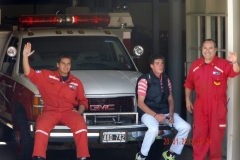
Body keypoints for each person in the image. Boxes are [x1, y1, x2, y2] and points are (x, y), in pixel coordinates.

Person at [22, 42, 90, 160]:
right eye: (63, 64)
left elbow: (83, 101)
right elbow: (29, 73)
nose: (66, 66)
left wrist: (79, 112)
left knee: (81, 124)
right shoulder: (46, 76)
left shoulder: (76, 81)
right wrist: (25, 56)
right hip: (50, 111)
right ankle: (38, 157)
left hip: (68, 112)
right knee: (41, 125)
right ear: (57, 64)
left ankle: (83, 157)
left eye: (68, 64)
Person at [184, 39, 240, 160]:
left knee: (215, 139)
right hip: (200, 105)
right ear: (202, 50)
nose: (207, 51)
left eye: (210, 48)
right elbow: (189, 84)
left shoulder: (223, 63)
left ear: (215, 50)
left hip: (217, 105)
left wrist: (235, 61)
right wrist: (187, 99)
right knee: (199, 136)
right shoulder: (195, 65)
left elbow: (235, 71)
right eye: (205, 48)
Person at [135, 54, 191, 160]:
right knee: (153, 129)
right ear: (151, 66)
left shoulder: (166, 79)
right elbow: (140, 103)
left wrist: (171, 114)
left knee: (186, 127)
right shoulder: (144, 80)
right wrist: (155, 115)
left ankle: (170, 153)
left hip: (165, 112)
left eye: (162, 63)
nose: (160, 65)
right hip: (148, 113)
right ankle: (141, 156)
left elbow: (170, 100)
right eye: (157, 63)